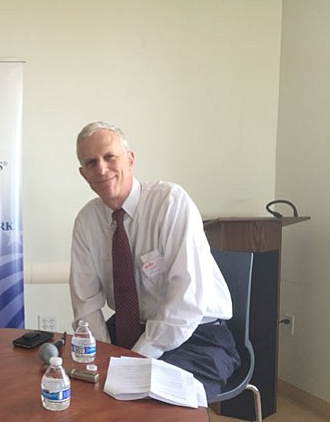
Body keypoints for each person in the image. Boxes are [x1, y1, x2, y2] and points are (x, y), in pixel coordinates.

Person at [69, 121, 240, 400]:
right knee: (81, 386)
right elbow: (85, 303)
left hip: (196, 335)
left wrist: (136, 360)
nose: (101, 168)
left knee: (150, 400)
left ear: (130, 159)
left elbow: (187, 300)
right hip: (129, 330)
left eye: (109, 157)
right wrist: (101, 357)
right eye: (91, 162)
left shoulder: (171, 203)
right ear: (83, 174)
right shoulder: (87, 222)